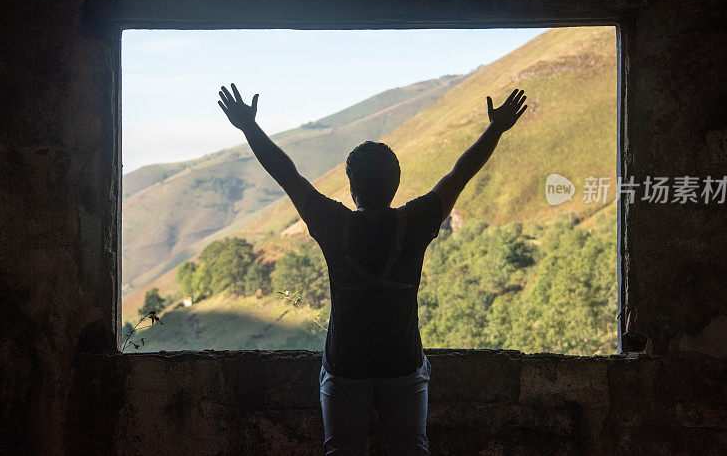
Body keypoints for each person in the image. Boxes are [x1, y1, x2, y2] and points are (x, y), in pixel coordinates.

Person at [217, 84, 528, 455]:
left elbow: (288, 176)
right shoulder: (417, 221)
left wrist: (249, 128)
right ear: (396, 183)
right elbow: (460, 173)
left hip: (346, 369)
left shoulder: (333, 224)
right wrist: (496, 128)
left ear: (352, 186)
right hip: (403, 366)